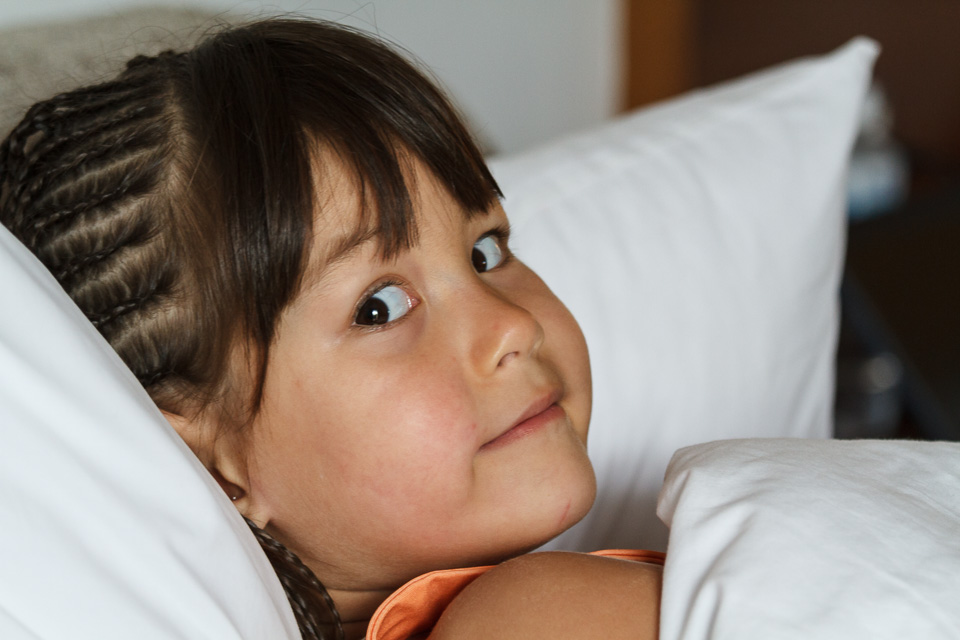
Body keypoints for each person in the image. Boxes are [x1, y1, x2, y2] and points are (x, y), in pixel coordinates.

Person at [0, 18, 661, 640]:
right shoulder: (532, 617)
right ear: (211, 470)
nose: (513, 326)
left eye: (484, 251)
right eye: (379, 308)